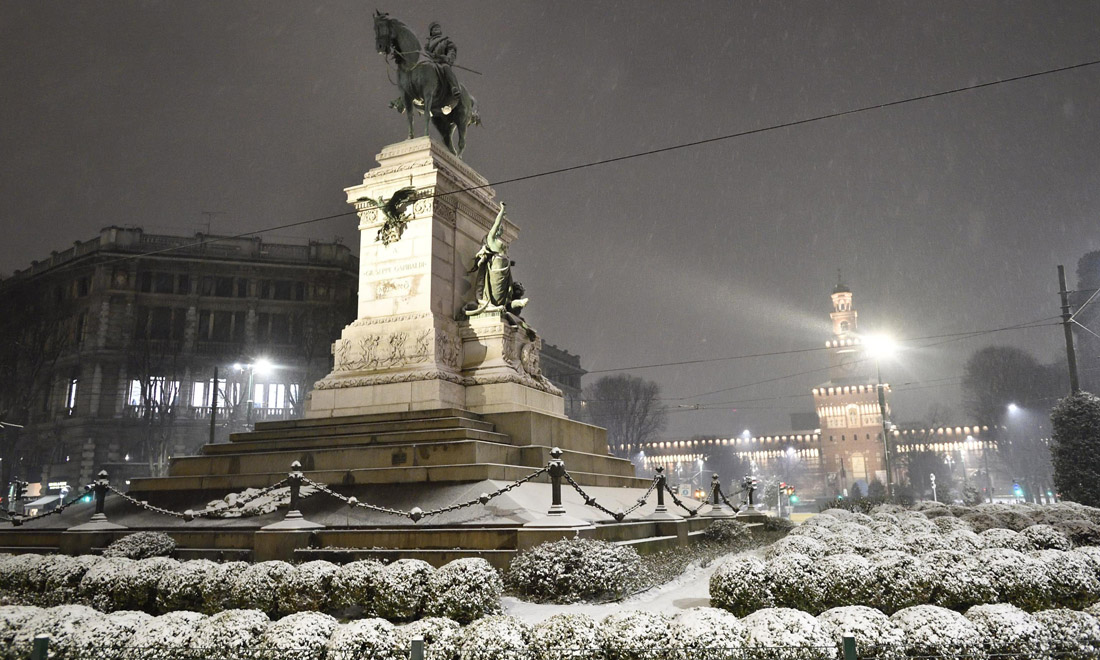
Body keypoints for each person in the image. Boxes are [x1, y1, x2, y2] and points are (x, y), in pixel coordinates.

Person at [424, 22, 461, 101]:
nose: (437, 29)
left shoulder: (446, 41)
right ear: (431, 31)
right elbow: (423, 53)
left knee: (445, 67)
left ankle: (454, 87)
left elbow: (451, 50)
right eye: (434, 28)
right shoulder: (428, 43)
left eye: (438, 28)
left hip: (441, 62)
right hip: (430, 63)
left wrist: (447, 58)